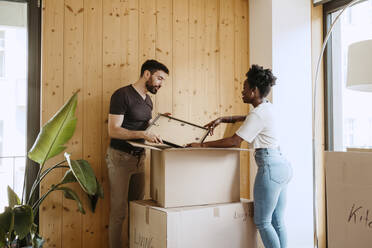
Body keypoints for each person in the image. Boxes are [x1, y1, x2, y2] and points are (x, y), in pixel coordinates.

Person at [188, 64, 292, 248]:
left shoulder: (258, 114)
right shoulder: (267, 107)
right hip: (282, 166)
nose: (241, 92)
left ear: (254, 90)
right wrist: (223, 119)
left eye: (244, 89)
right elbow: (247, 118)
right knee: (277, 221)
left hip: (270, 168)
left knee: (263, 222)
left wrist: (201, 145)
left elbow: (234, 141)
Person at [106, 59, 169, 248]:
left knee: (136, 210)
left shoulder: (148, 101)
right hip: (120, 158)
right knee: (119, 212)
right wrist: (142, 134)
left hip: (140, 159)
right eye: (159, 78)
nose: (161, 84)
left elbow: (145, 126)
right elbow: (113, 130)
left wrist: (160, 122)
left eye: (163, 80)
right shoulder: (121, 95)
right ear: (147, 74)